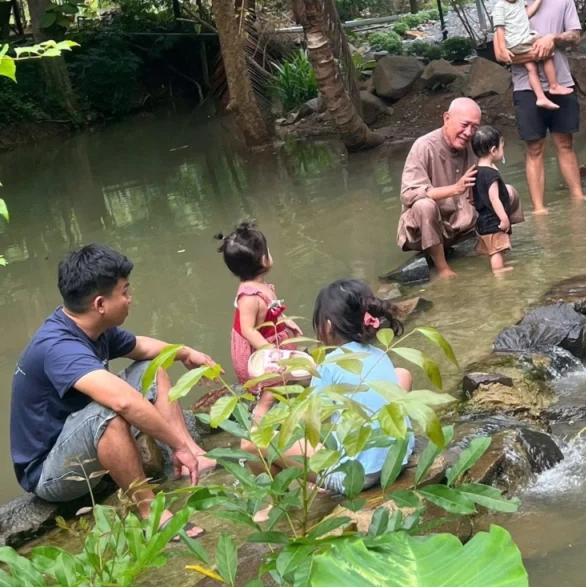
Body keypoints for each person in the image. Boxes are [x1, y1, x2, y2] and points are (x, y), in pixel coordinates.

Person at [10, 245, 217, 535]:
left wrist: (185, 352)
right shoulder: (59, 347)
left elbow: (141, 347)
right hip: (50, 471)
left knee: (152, 368)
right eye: (124, 291)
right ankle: (151, 513)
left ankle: (194, 456)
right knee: (107, 413)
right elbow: (123, 402)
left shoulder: (91, 326)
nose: (130, 299)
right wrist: (177, 445)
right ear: (100, 304)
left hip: (81, 436)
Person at [240, 280, 414, 499]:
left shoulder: (328, 367)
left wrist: (266, 402)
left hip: (358, 476)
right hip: (398, 458)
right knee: (402, 374)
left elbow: (307, 429)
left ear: (328, 326)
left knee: (250, 443)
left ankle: (276, 506)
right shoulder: (381, 354)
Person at [509, 0, 586, 215]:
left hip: (562, 81)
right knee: (534, 147)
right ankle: (539, 209)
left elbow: (575, 36)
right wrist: (533, 53)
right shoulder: (509, 2)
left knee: (565, 143)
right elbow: (501, 51)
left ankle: (578, 197)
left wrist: (553, 39)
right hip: (526, 86)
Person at [396, 98, 523, 279]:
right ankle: (442, 267)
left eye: (474, 127)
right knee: (424, 205)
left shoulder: (475, 146)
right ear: (447, 118)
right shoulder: (423, 146)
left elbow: (491, 182)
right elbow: (410, 194)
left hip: (468, 222)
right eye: (464, 125)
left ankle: (489, 246)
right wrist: (455, 189)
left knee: (507, 192)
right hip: (433, 224)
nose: (468, 132)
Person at [216, 222, 302, 386]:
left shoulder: (261, 284)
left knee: (284, 377)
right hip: (260, 345)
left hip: (271, 335)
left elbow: (272, 308)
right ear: (263, 260)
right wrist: (270, 350)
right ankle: (262, 401)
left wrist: (285, 320)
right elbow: (248, 330)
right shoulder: (248, 298)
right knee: (271, 384)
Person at [492, 0, 568, 111]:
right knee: (546, 49)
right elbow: (499, 29)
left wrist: (538, 0)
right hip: (517, 42)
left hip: (519, 41)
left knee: (531, 68)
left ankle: (541, 97)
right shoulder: (500, 7)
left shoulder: (518, 1)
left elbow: (525, 15)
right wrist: (503, 48)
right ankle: (554, 85)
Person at [471, 125, 516, 274]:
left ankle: (497, 263)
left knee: (492, 247)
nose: (503, 152)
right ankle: (499, 271)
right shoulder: (491, 175)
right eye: (502, 148)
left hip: (482, 220)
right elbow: (494, 198)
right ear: (493, 150)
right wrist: (504, 219)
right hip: (493, 220)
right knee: (496, 250)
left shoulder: (476, 172)